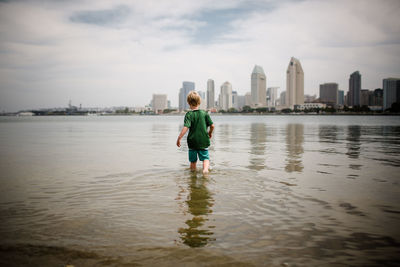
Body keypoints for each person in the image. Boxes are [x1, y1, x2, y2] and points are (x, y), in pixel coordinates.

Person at [177, 91, 214, 173]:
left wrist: (179, 138)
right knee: (205, 159)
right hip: (203, 141)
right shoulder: (204, 113)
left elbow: (186, 127)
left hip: (192, 142)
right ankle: (205, 170)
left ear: (188, 102)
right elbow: (212, 126)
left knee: (193, 162)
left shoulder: (188, 114)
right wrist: (210, 133)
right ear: (199, 102)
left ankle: (193, 176)